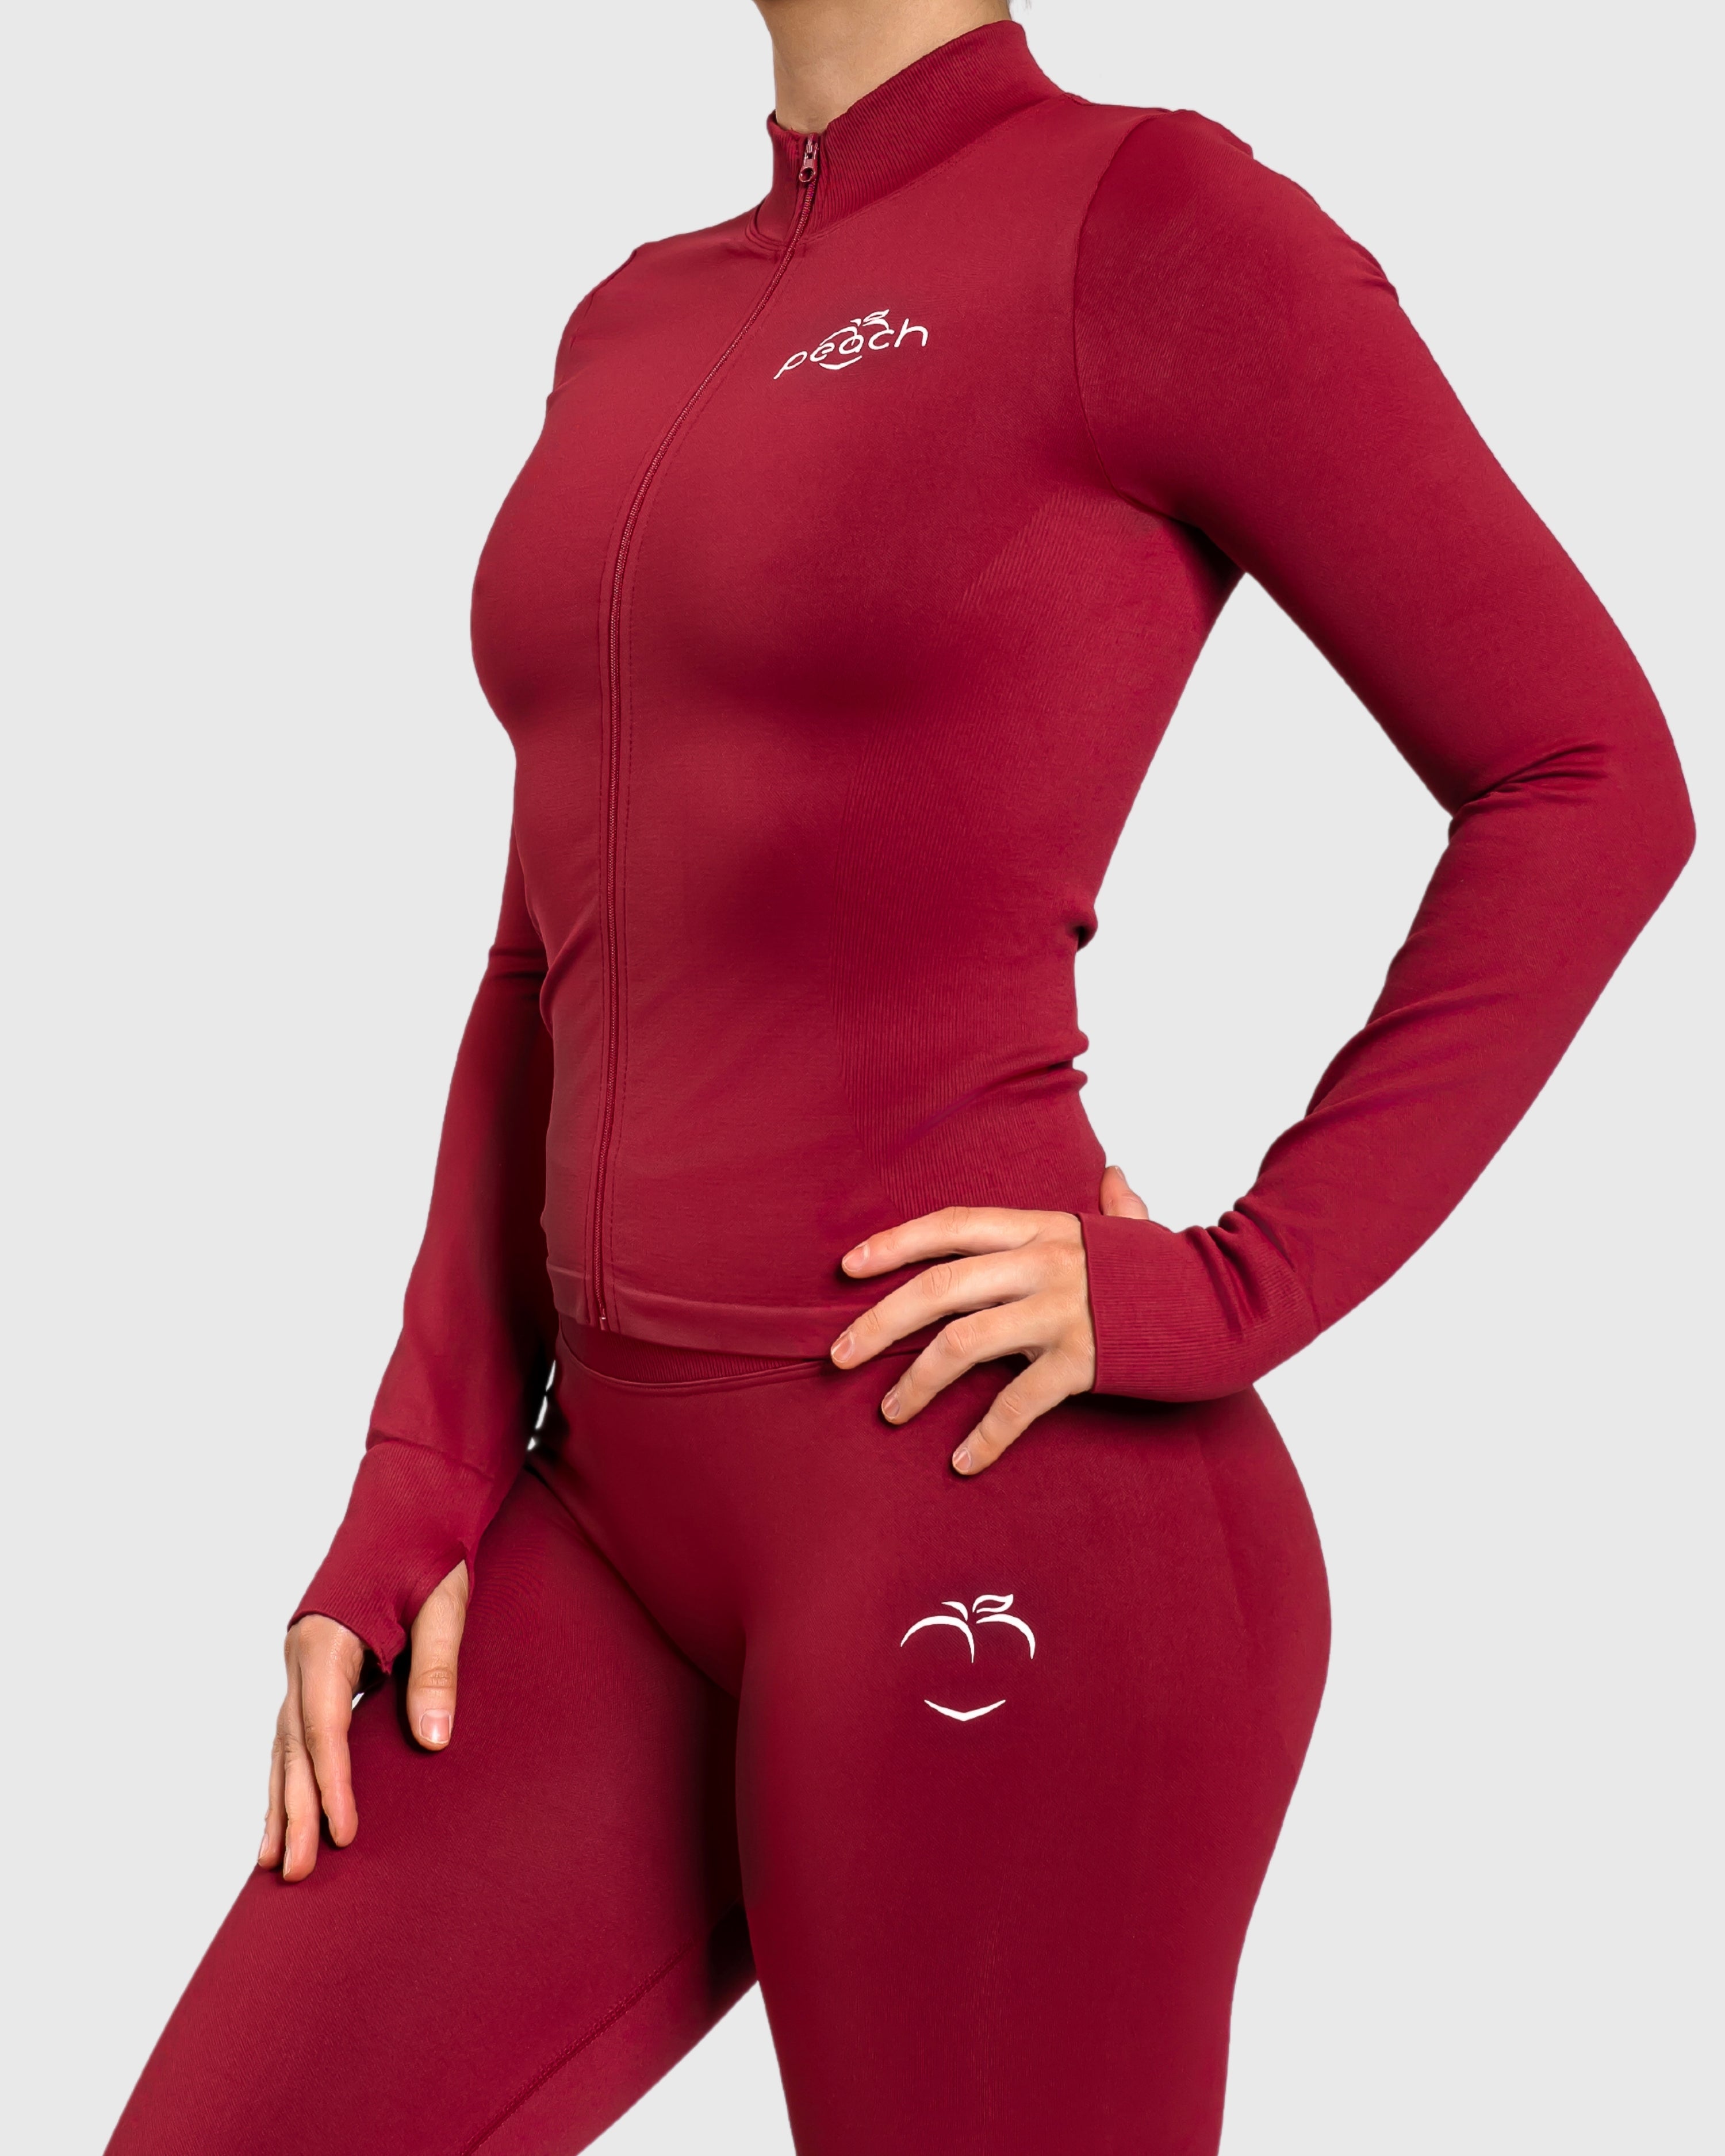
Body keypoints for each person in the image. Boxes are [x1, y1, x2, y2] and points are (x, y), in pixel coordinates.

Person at [106, 2, 1693, 2151]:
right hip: (609, 1520)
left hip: (987, 1486)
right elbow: (543, 958)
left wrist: (1240, 1281)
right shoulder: (634, 320)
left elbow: (1588, 777)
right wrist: (419, 1480)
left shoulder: (1149, 222)